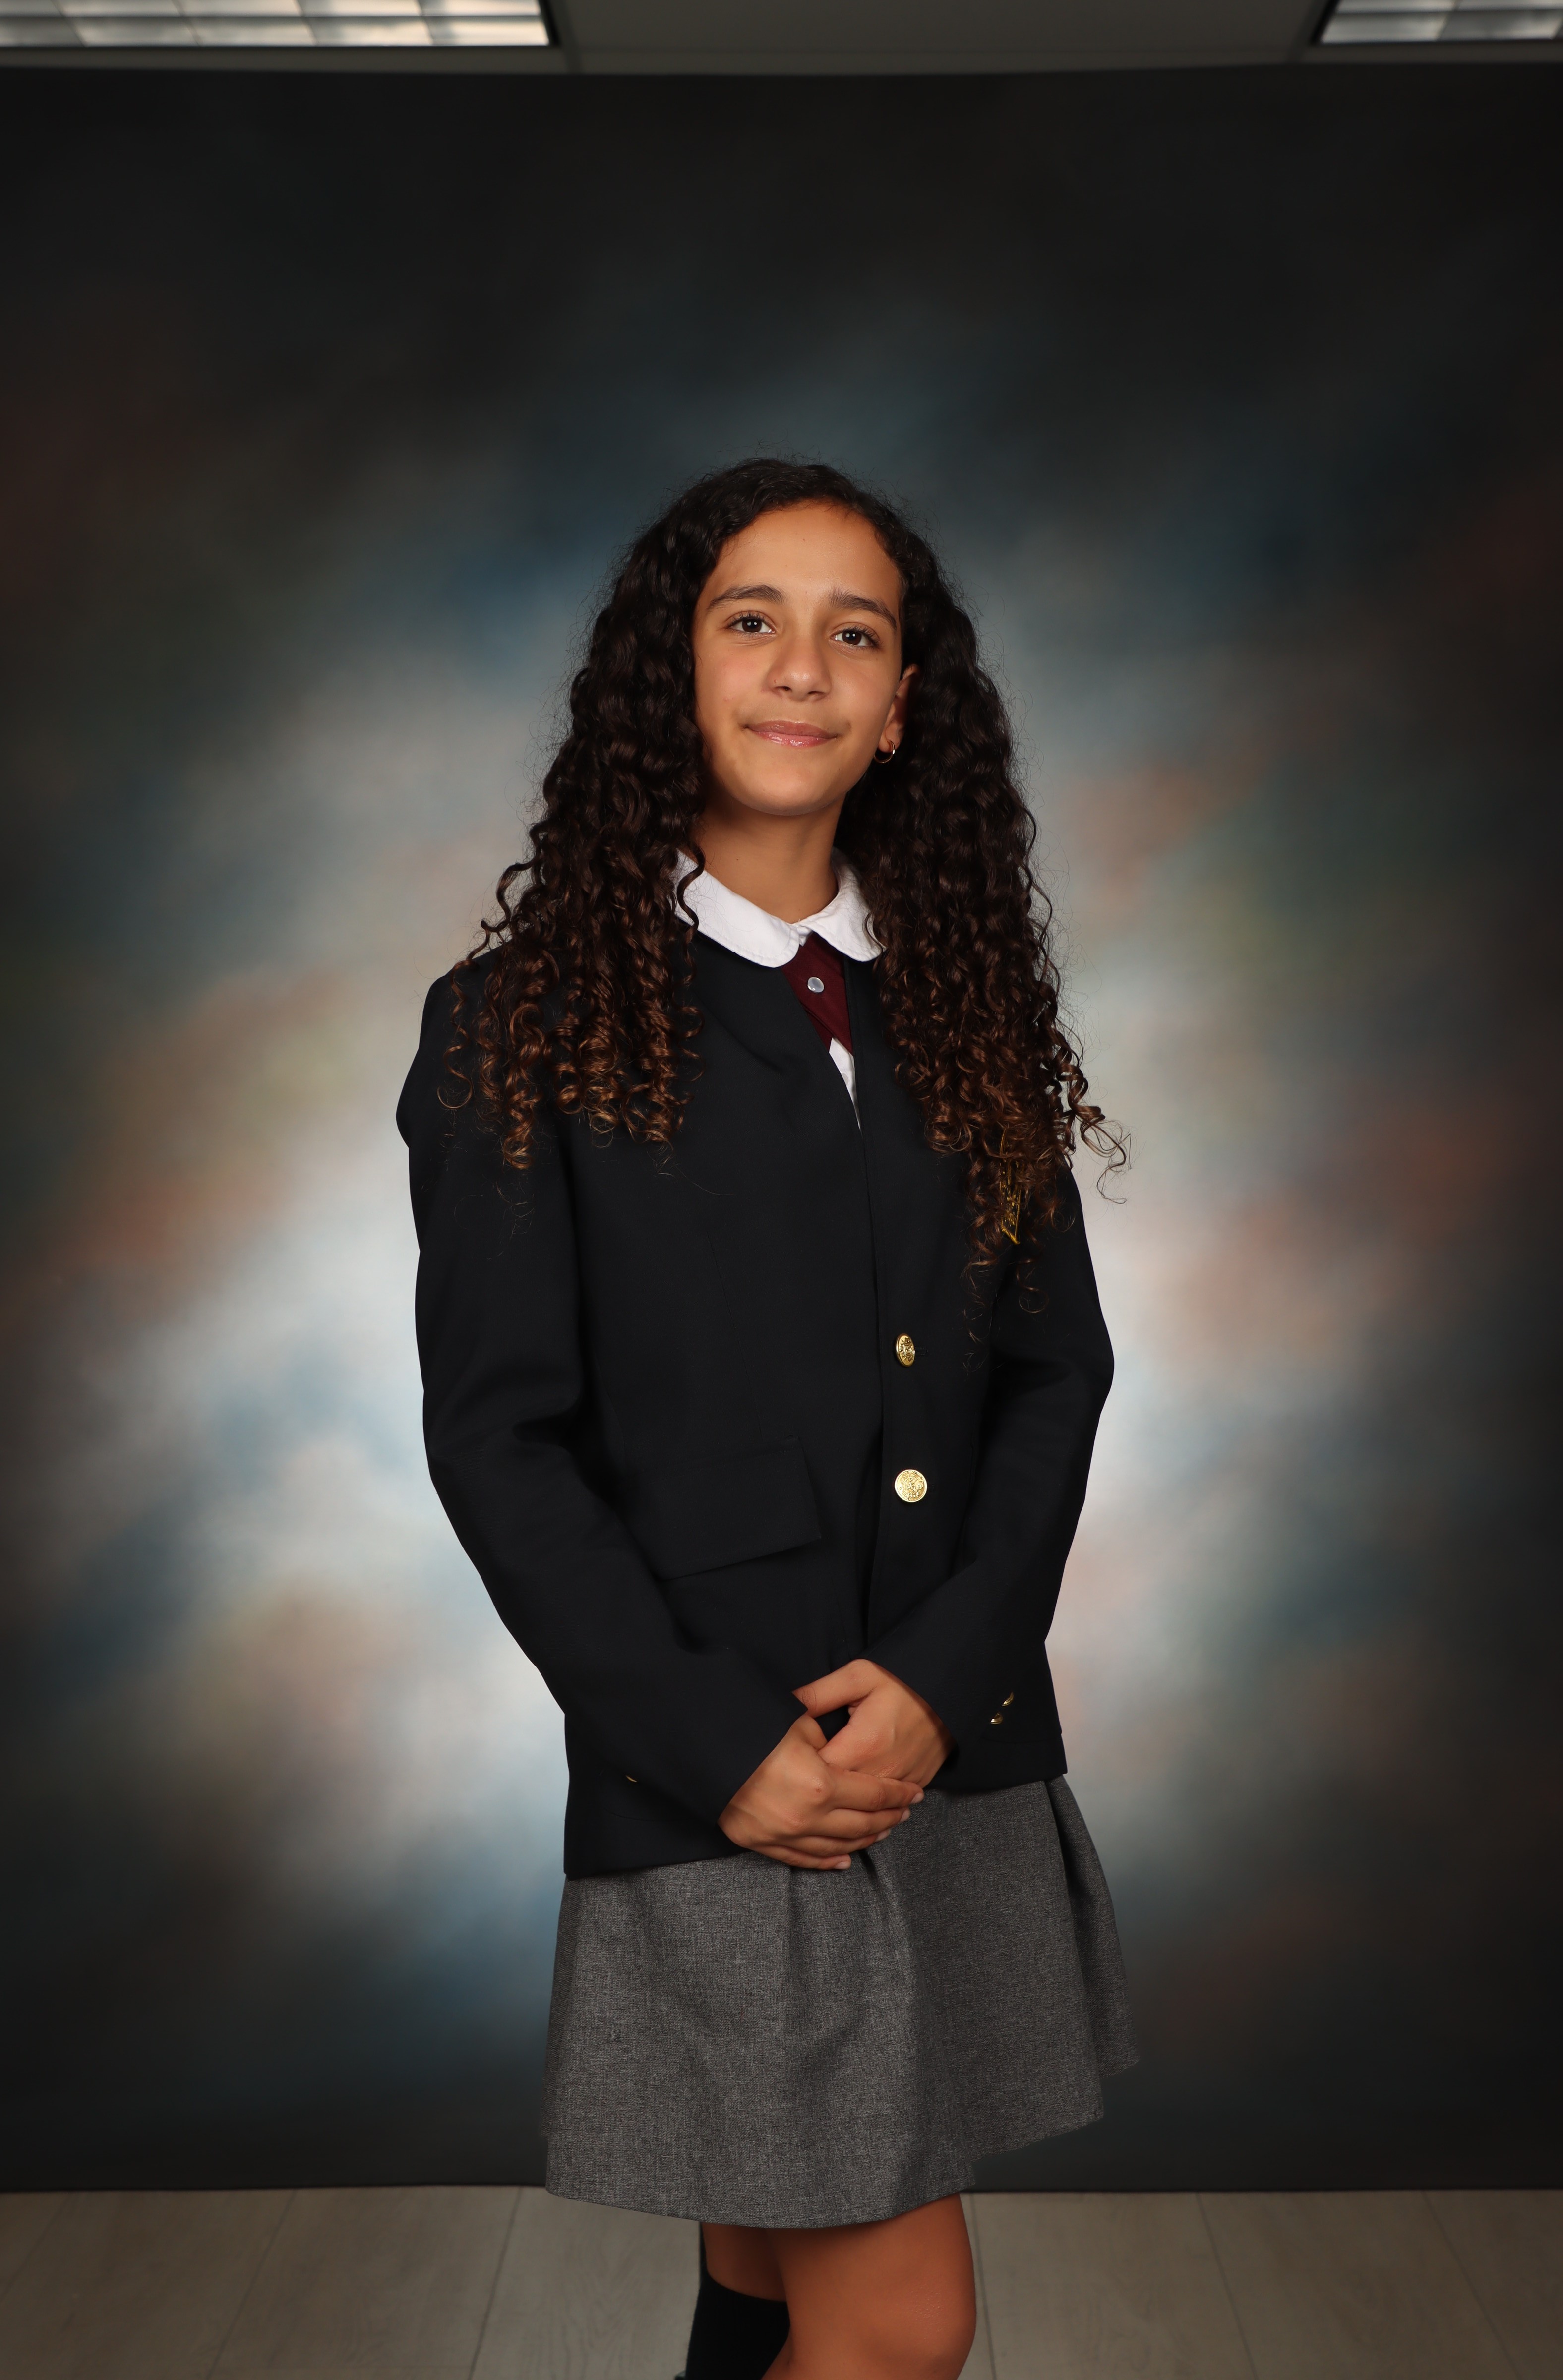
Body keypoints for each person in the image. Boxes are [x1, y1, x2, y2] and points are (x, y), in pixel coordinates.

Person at [398, 460, 1137, 2380]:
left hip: (940, 1749)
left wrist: (946, 1675)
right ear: (676, 670)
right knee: (897, 2331)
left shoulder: (963, 1011)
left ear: (900, 708)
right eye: (752, 620)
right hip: (720, 1766)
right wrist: (717, 1743)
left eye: (853, 633)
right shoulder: (517, 1024)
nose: (802, 666)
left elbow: (1055, 1372)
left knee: (770, 2276)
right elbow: (500, 1441)